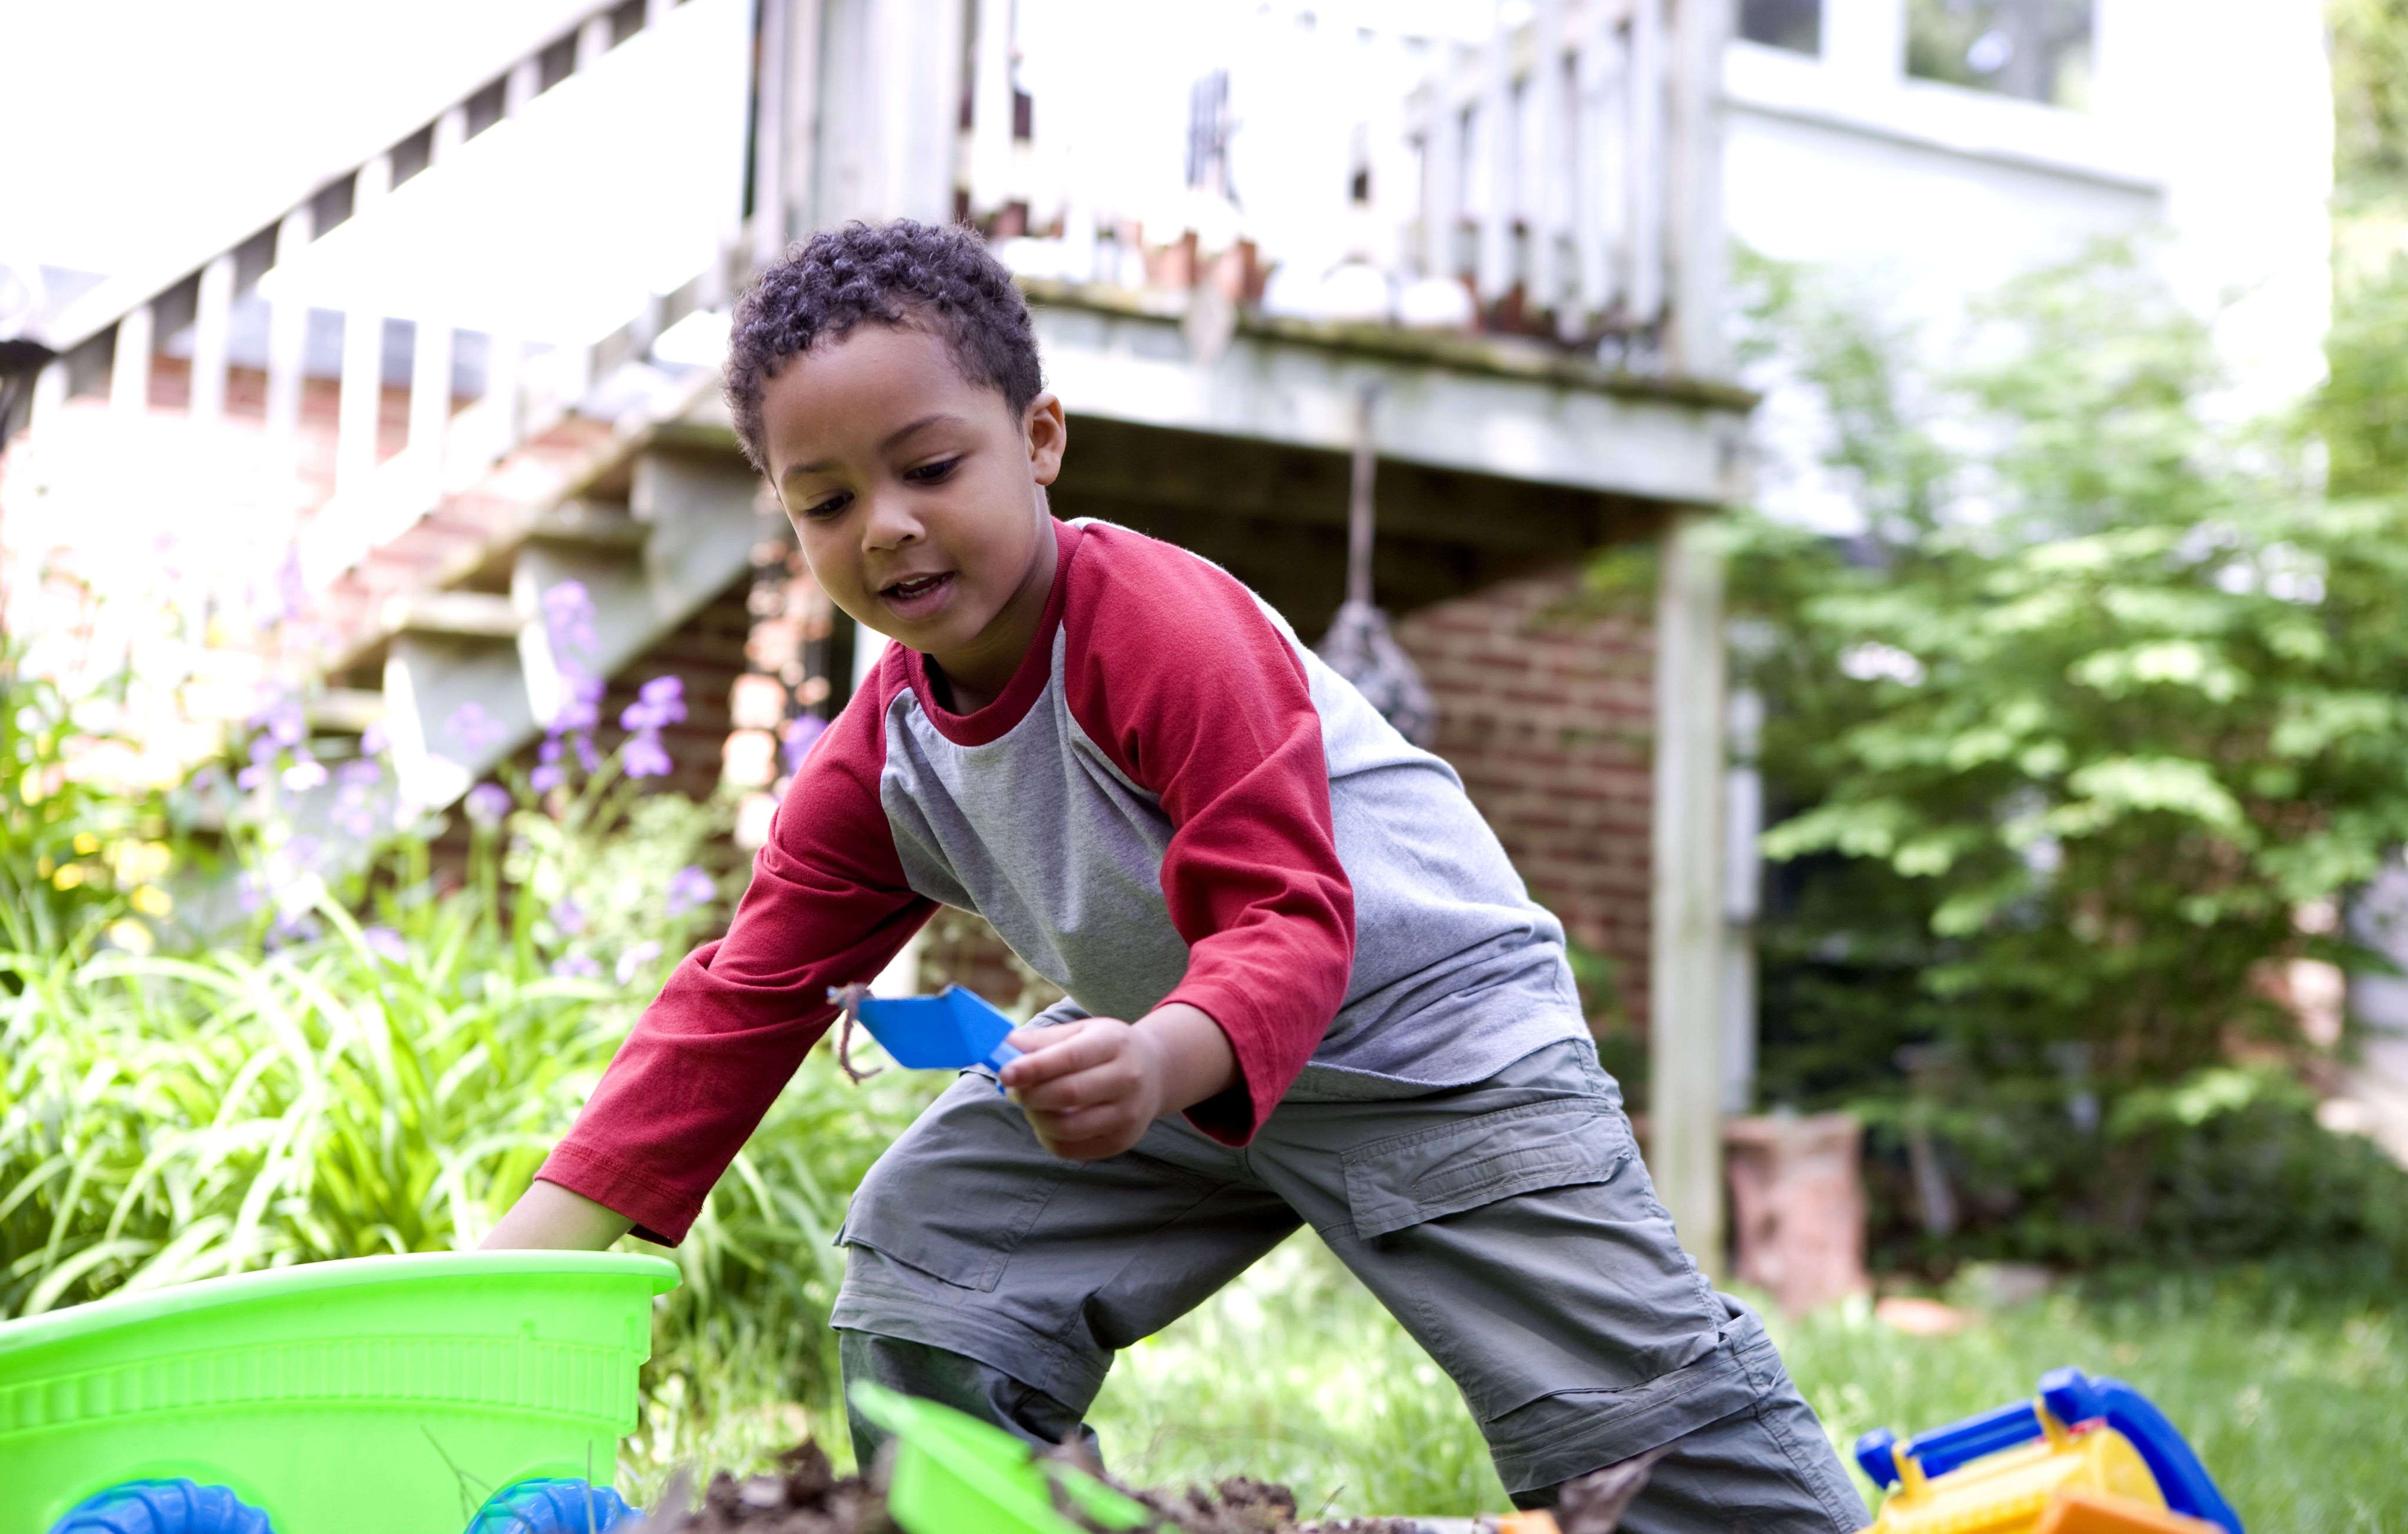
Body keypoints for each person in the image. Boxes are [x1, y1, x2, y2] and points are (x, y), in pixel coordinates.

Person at [482, 219, 1868, 1532]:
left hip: (1429, 1044)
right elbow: (741, 1002)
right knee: (937, 1258)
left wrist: (1155, 1062)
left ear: (1040, 440)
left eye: (930, 468)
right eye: (828, 501)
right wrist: (498, 1286)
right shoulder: (886, 751)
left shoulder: (1156, 626)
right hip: (1179, 1059)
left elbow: (1287, 915)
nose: (887, 526)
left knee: (1634, 1423)